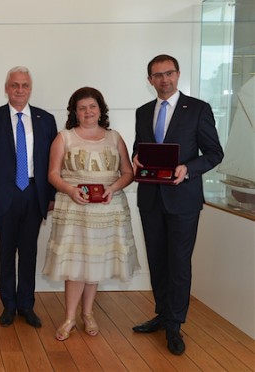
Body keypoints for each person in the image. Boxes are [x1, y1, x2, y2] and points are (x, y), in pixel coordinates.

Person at [132, 54, 223, 355]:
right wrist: (135, 158)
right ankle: (161, 314)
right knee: (157, 260)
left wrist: (189, 169)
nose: (164, 79)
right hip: (150, 198)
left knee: (179, 264)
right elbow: (140, 148)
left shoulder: (198, 109)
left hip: (183, 200)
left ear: (178, 74)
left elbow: (213, 153)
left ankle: (175, 325)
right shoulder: (143, 111)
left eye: (168, 73)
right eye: (157, 75)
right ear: (150, 80)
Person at [42, 87, 140, 341]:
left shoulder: (114, 137)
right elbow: (52, 174)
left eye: (92, 106)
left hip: (106, 208)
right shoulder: (64, 137)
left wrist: (112, 188)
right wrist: (70, 190)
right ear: (75, 111)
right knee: (75, 265)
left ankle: (88, 314)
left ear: (100, 109)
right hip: (75, 208)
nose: (88, 112)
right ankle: (70, 318)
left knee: (95, 263)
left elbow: (128, 173)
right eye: (82, 107)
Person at [0, 66, 57, 328]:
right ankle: (8, 306)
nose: (19, 90)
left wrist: (52, 195)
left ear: (30, 89)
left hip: (35, 193)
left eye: (24, 85)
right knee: (6, 252)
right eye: (14, 85)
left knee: (29, 252)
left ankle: (26, 304)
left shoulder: (46, 120)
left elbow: (52, 162)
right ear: (6, 88)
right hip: (4, 193)